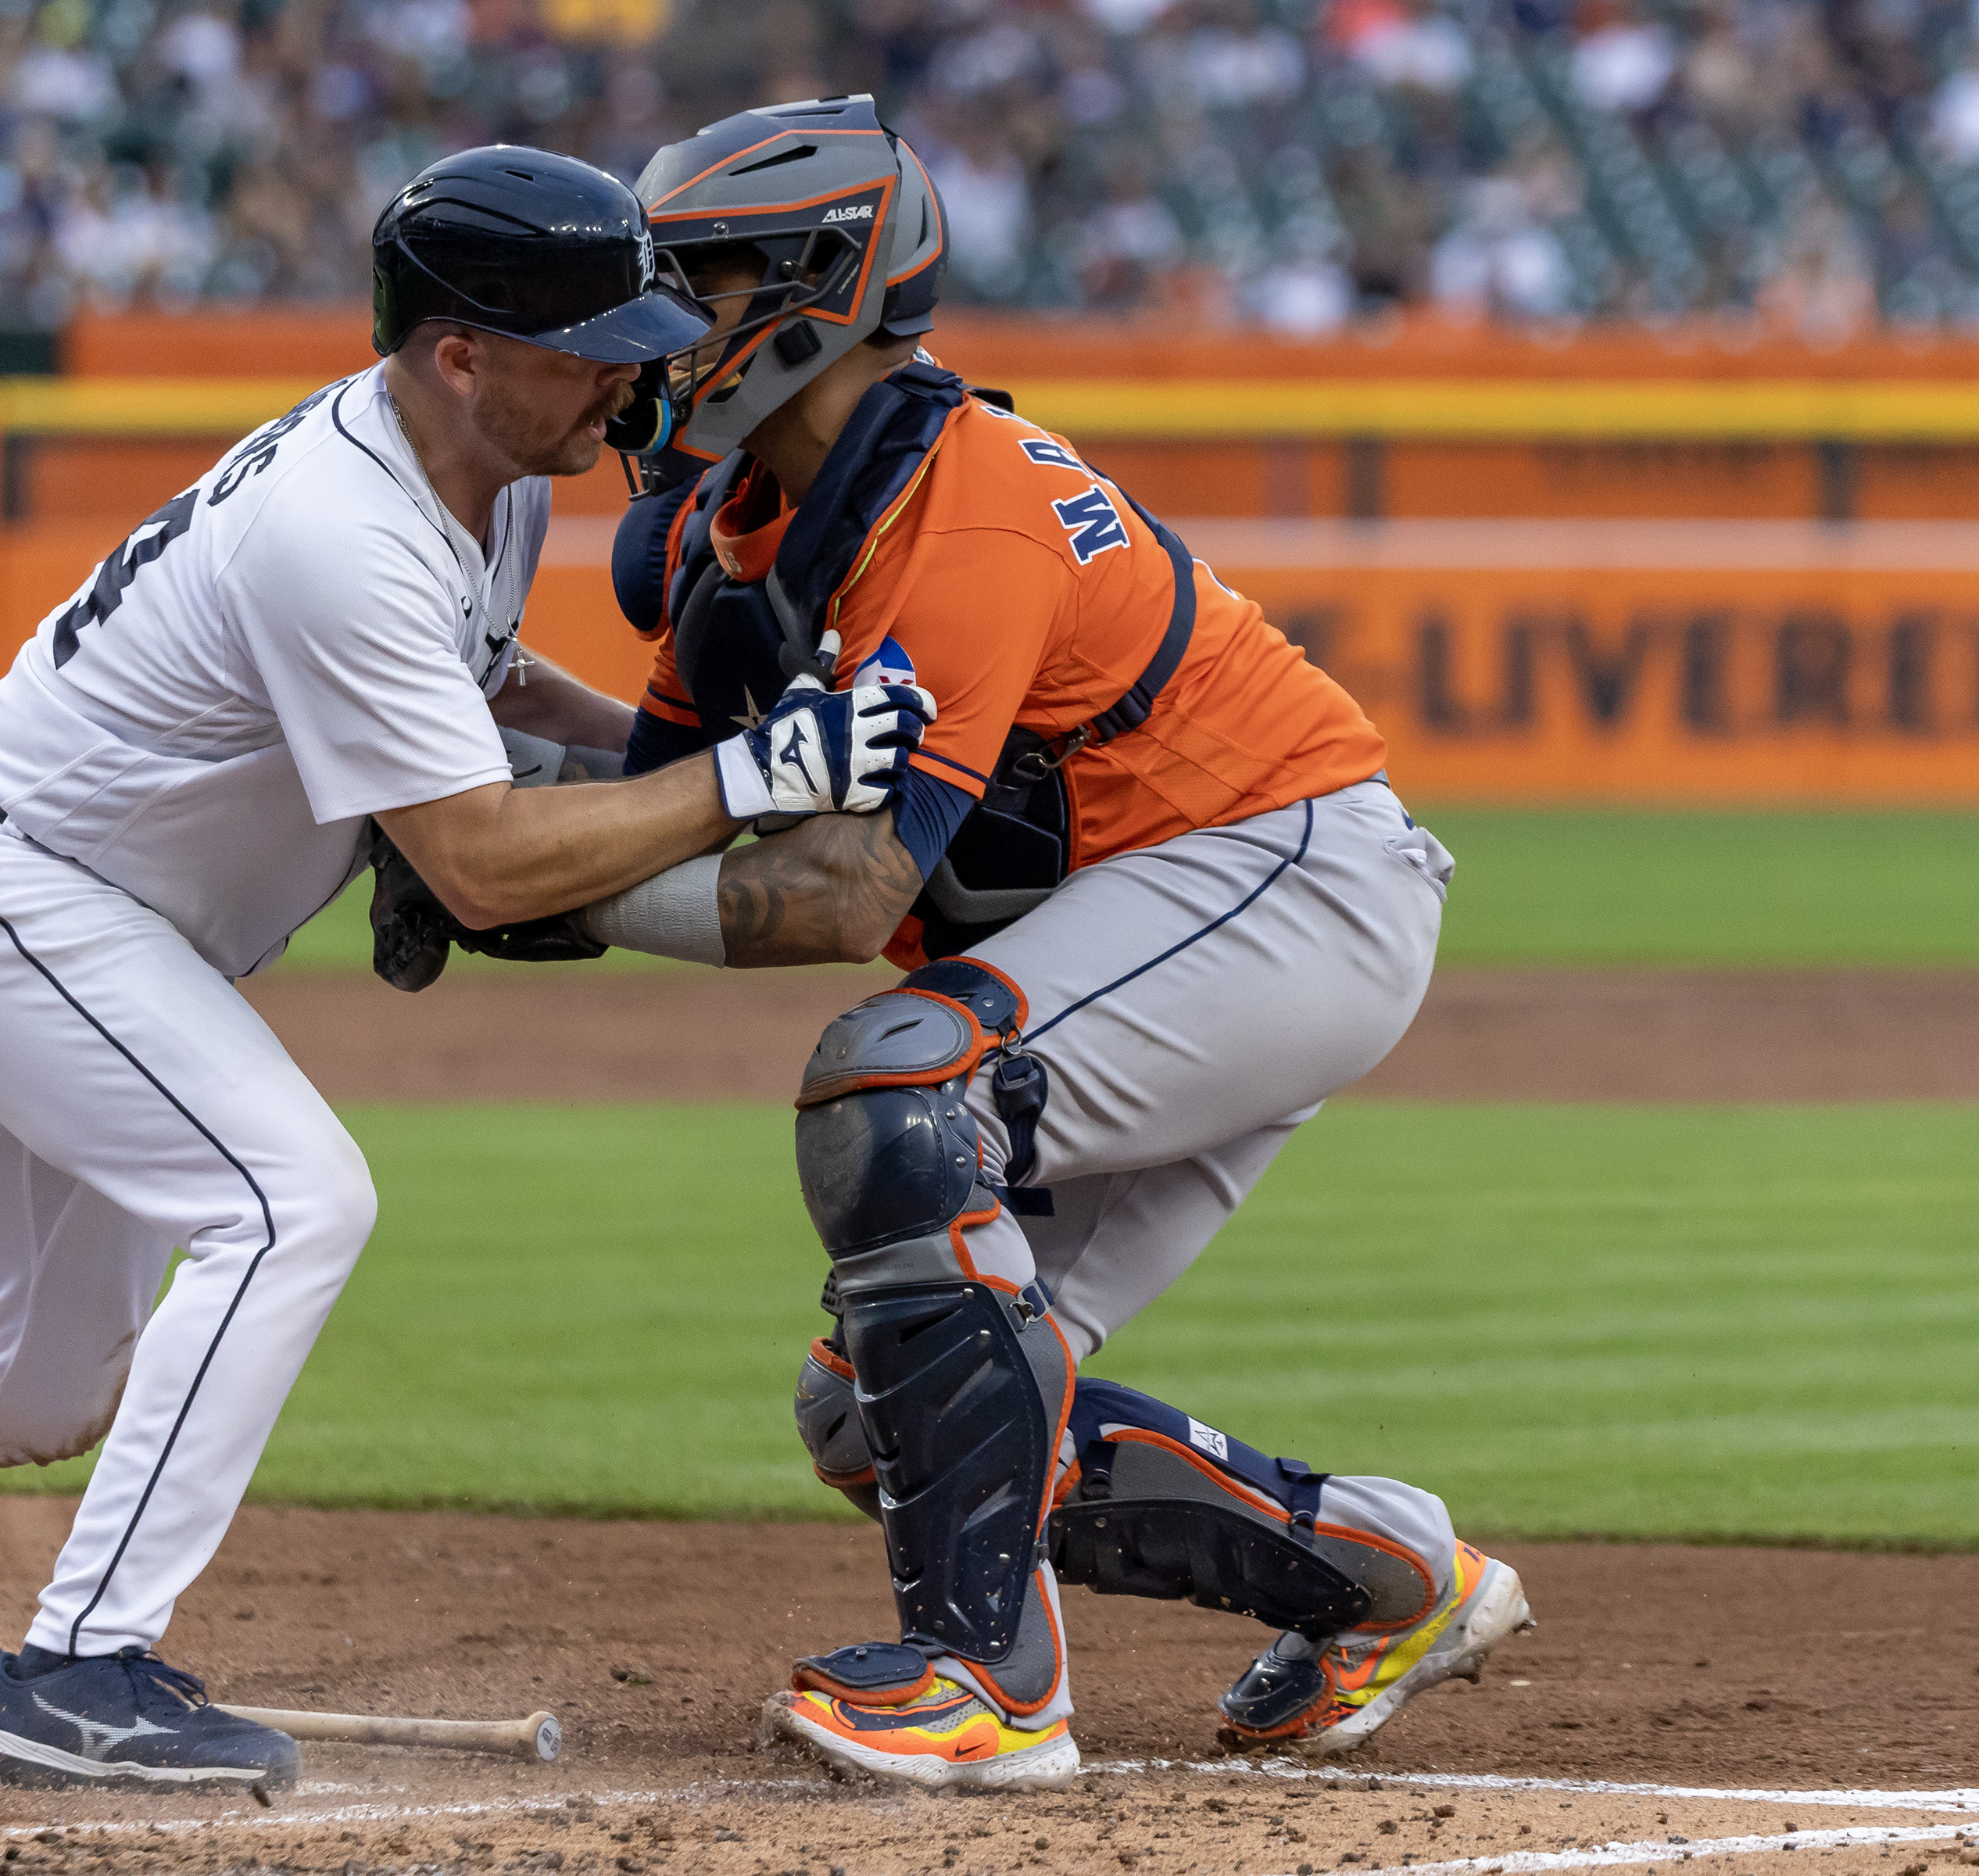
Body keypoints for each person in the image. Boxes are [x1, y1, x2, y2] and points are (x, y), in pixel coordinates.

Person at [0, 146, 932, 1792]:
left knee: (30, 1378)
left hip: (77, 916)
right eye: (594, 346)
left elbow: (486, 679)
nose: (636, 377)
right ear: (458, 354)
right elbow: (471, 858)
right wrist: (748, 786)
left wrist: (688, 749)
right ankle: (84, 1667)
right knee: (290, 1198)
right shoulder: (342, 527)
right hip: (15, 900)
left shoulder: (495, 472)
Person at [540, 98, 1524, 1789]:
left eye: (691, 286)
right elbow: (655, 809)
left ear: (816, 288)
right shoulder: (741, 533)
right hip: (1149, 922)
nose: (656, 329)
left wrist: (529, 883)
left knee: (898, 1079)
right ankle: (1385, 1582)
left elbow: (842, 898)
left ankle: (983, 1686)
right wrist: (471, 818)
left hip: (1282, 873)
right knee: (889, 1413)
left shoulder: (969, 504)